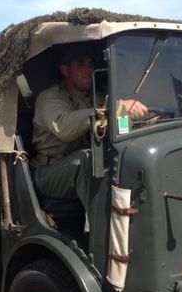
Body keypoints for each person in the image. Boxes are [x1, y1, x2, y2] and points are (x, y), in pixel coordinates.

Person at [31, 45, 149, 215]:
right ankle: (101, 234)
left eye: (90, 65)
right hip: (50, 172)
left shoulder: (98, 98)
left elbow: (118, 125)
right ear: (65, 70)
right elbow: (65, 128)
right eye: (81, 65)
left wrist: (137, 118)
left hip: (87, 165)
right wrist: (115, 109)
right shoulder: (50, 97)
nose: (88, 70)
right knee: (87, 160)